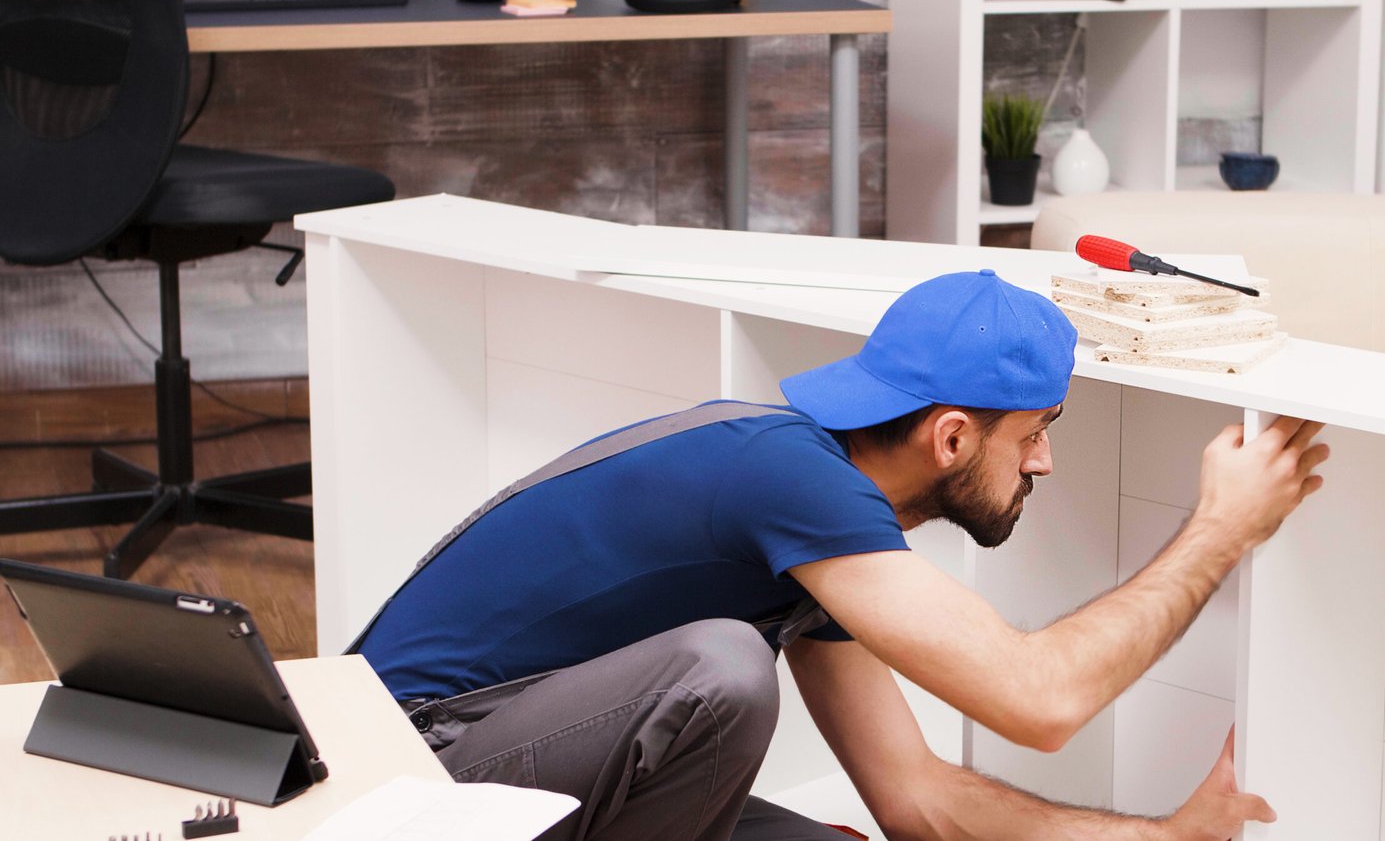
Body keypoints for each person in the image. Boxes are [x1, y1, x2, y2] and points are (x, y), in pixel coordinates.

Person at [355, 268, 1329, 840]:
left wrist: (1166, 838)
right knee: (724, 671)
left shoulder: (819, 528)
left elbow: (921, 801)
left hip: (496, 753)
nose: (1045, 460)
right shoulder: (786, 478)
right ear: (950, 437)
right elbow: (1040, 700)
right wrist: (1221, 529)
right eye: (1034, 431)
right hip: (399, 773)